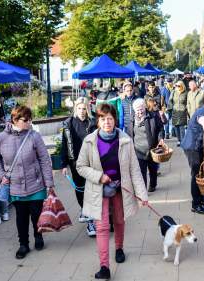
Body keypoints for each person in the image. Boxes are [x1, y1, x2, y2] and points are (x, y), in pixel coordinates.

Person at [76, 103, 148, 279]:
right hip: (98, 189)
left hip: (120, 189)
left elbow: (134, 170)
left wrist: (142, 195)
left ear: (115, 119)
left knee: (119, 221)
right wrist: (99, 176)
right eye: (102, 118)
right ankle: (104, 267)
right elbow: (81, 166)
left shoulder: (125, 140)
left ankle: (119, 248)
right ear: (98, 121)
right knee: (101, 228)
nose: (107, 122)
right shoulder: (89, 141)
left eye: (110, 118)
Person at [0, 106, 54, 259]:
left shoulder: (34, 136)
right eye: (26, 120)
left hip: (36, 182)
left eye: (30, 119)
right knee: (21, 216)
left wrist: (49, 182)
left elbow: (44, 159)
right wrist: (1, 175)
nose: (29, 122)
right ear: (15, 120)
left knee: (36, 213)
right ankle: (23, 244)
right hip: (15, 185)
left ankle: (38, 236)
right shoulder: (1, 137)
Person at [60, 97, 97, 237]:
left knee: (90, 191)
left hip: (91, 161)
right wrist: (63, 164)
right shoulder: (68, 124)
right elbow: (64, 144)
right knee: (80, 190)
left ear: (88, 109)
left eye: (84, 108)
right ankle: (84, 209)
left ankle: (90, 222)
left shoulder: (92, 123)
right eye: (79, 108)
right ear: (76, 109)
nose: (82, 111)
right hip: (75, 162)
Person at [181, 98, 204, 215]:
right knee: (196, 175)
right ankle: (196, 204)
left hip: (196, 146)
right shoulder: (203, 113)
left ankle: (203, 200)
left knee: (201, 173)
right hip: (192, 147)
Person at [126, 98, 164, 192]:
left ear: (145, 107)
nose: (140, 111)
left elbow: (160, 129)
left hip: (152, 149)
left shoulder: (153, 116)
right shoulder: (131, 119)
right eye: (137, 110)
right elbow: (128, 134)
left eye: (141, 109)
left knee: (153, 169)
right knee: (141, 171)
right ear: (134, 110)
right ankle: (143, 190)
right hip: (138, 150)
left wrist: (161, 139)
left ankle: (153, 185)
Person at [167, 80, 188, 147]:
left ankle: (183, 141)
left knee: (181, 127)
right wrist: (170, 109)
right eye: (176, 85)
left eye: (179, 86)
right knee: (176, 127)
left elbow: (188, 102)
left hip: (182, 111)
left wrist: (187, 108)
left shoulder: (185, 93)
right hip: (175, 111)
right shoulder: (173, 92)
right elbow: (170, 100)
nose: (177, 87)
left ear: (182, 86)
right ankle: (179, 140)